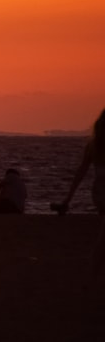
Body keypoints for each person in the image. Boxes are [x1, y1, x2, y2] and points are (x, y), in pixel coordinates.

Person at [57, 108, 105, 279]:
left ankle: (93, 274)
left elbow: (81, 173)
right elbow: (81, 172)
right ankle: (91, 275)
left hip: (99, 194)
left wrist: (68, 199)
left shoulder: (93, 146)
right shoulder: (93, 147)